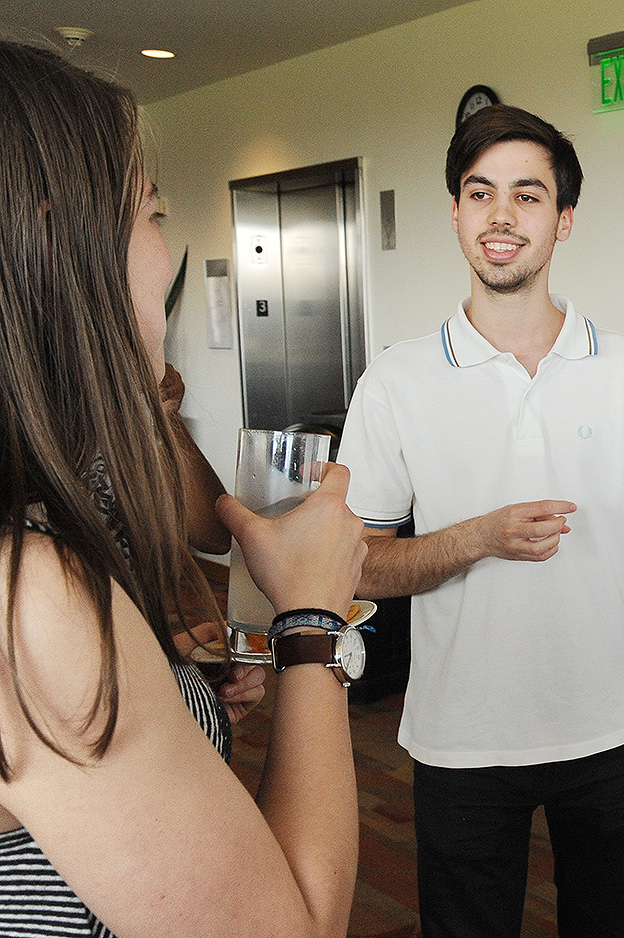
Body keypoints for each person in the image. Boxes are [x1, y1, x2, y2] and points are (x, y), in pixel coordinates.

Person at [0, 41, 367, 937]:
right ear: (60, 241)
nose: (165, 255)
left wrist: (158, 660)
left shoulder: (46, 504)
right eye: (153, 214)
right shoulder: (32, 602)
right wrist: (311, 621)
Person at [339, 104, 624, 938]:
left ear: (564, 220)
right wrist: (478, 536)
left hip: (613, 730)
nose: (501, 216)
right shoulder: (397, 381)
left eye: (528, 195)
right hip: (460, 740)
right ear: (455, 214)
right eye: (480, 194)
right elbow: (357, 565)